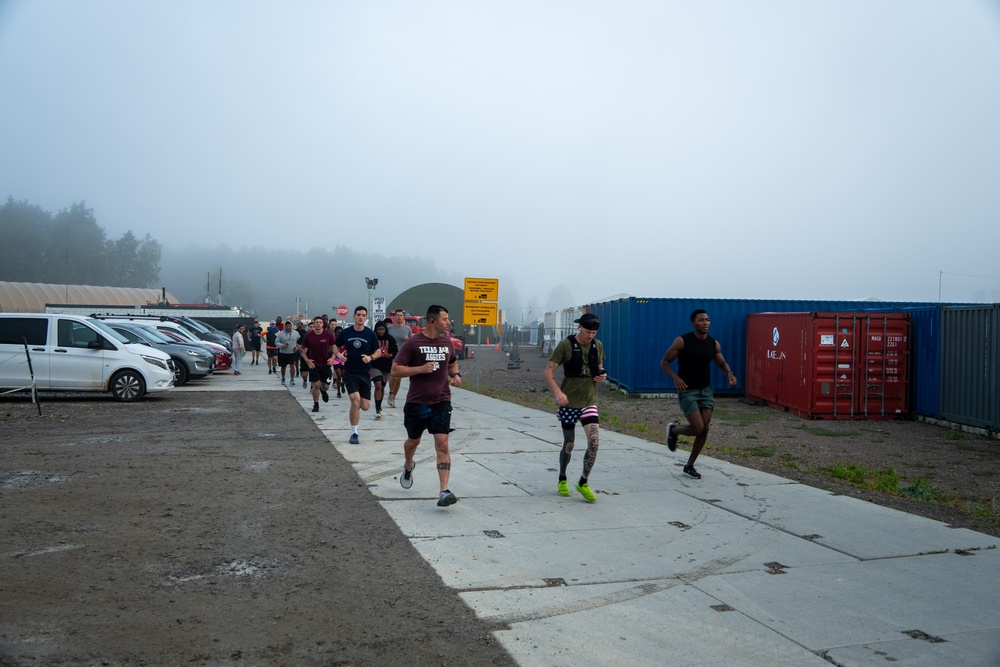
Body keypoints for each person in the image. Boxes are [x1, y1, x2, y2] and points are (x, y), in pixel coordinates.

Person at [392, 304, 461, 507]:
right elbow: (395, 370)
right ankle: (408, 465)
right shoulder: (412, 344)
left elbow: (452, 363)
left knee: (442, 444)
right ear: (433, 321)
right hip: (417, 402)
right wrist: (420, 369)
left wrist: (456, 375)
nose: (448, 323)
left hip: (441, 401)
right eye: (445, 319)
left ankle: (443, 491)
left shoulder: (447, 343)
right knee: (413, 442)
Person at [659, 309, 738, 479]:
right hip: (688, 390)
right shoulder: (682, 341)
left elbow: (722, 363)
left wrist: (729, 374)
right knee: (697, 427)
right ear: (693, 323)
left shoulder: (713, 343)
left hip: (706, 390)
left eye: (707, 320)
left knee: (705, 428)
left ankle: (689, 466)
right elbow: (664, 362)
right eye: (701, 320)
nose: (705, 323)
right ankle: (674, 430)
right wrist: (675, 378)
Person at [542, 312, 607, 502]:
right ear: (579, 327)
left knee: (594, 443)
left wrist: (602, 376)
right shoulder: (566, 345)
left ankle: (583, 482)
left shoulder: (598, 345)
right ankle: (562, 477)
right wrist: (558, 393)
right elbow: (548, 371)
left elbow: (601, 369)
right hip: (569, 402)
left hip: (589, 401)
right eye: (588, 332)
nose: (590, 336)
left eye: (594, 333)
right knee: (569, 444)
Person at [334, 306, 382, 444]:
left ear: (366, 318)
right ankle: (354, 433)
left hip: (365, 374)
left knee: (365, 406)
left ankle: (357, 411)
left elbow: (378, 352)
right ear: (354, 317)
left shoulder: (370, 334)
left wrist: (370, 358)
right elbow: (335, 346)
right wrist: (338, 355)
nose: (361, 317)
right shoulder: (346, 332)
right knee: (355, 400)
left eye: (363, 315)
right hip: (349, 372)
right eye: (358, 315)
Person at [299, 316, 338, 413]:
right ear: (314, 323)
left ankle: (323, 390)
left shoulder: (328, 335)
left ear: (323, 324)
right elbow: (302, 350)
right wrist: (307, 360)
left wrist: (332, 358)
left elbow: (334, 348)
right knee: (315, 384)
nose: (318, 324)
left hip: (326, 364)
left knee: (325, 386)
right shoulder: (308, 336)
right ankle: (316, 405)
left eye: (320, 322)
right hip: (314, 364)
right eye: (316, 322)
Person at [370, 321, 399, 419]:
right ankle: (378, 409)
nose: (380, 331)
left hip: (386, 367)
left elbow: (395, 351)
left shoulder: (390, 339)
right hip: (374, 365)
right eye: (378, 329)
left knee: (382, 387)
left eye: (382, 329)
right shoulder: (372, 338)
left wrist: (390, 355)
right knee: (377, 385)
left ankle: (379, 404)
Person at [385, 309, 411, 407]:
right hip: (391, 355)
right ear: (395, 317)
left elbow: (411, 343)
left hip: (402, 356)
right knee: (393, 375)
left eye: (401, 315)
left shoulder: (407, 329)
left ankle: (392, 397)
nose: (399, 317)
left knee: (398, 378)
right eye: (398, 315)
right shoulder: (390, 328)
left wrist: (408, 339)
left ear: (403, 317)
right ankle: (391, 392)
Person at [275, 320, 299, 386]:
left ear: (291, 326)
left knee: (292, 366)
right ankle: (283, 378)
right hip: (283, 353)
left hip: (292, 352)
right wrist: (282, 345)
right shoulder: (280, 333)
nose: (288, 327)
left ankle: (292, 379)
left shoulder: (296, 333)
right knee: (283, 366)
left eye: (289, 326)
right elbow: (276, 342)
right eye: (287, 326)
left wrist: (297, 347)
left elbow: (299, 342)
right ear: (284, 326)